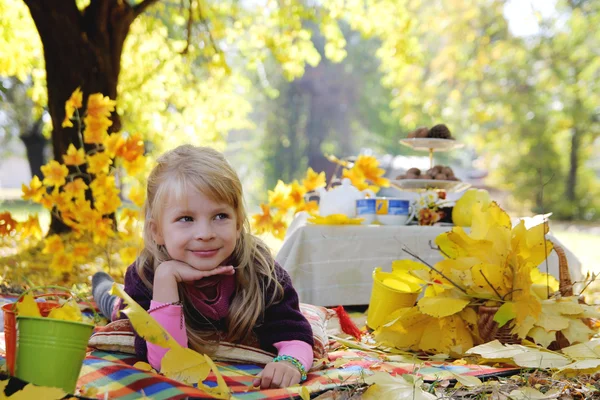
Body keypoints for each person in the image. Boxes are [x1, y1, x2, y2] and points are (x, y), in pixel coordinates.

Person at [92, 145, 314, 389]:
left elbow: (294, 332)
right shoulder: (146, 277)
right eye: (186, 219)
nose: (205, 234)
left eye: (220, 216)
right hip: (133, 300)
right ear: (158, 231)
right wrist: (166, 279)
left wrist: (290, 362)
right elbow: (165, 362)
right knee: (115, 305)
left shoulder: (262, 270)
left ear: (238, 222)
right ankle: (102, 286)